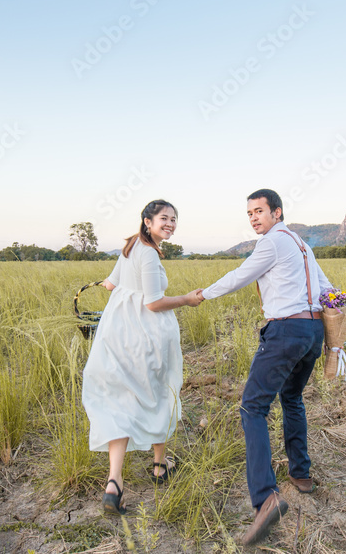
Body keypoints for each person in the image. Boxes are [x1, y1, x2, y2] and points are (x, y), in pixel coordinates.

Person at [191, 189, 332, 545]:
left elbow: (241, 274)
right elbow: (327, 288)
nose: (254, 218)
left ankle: (265, 498)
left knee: (252, 407)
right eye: (250, 213)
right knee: (292, 398)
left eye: (259, 211)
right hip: (313, 331)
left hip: (285, 331)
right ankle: (301, 474)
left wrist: (203, 294)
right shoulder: (302, 244)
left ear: (277, 212)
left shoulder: (271, 242)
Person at [81, 199, 200, 515]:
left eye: (174, 219)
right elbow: (153, 303)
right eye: (164, 218)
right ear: (148, 221)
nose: (170, 224)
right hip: (145, 336)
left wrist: (120, 283)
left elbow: (110, 285)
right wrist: (186, 299)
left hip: (117, 334)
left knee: (120, 400)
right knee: (159, 395)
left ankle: (114, 482)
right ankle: (159, 465)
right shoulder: (147, 252)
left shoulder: (132, 245)